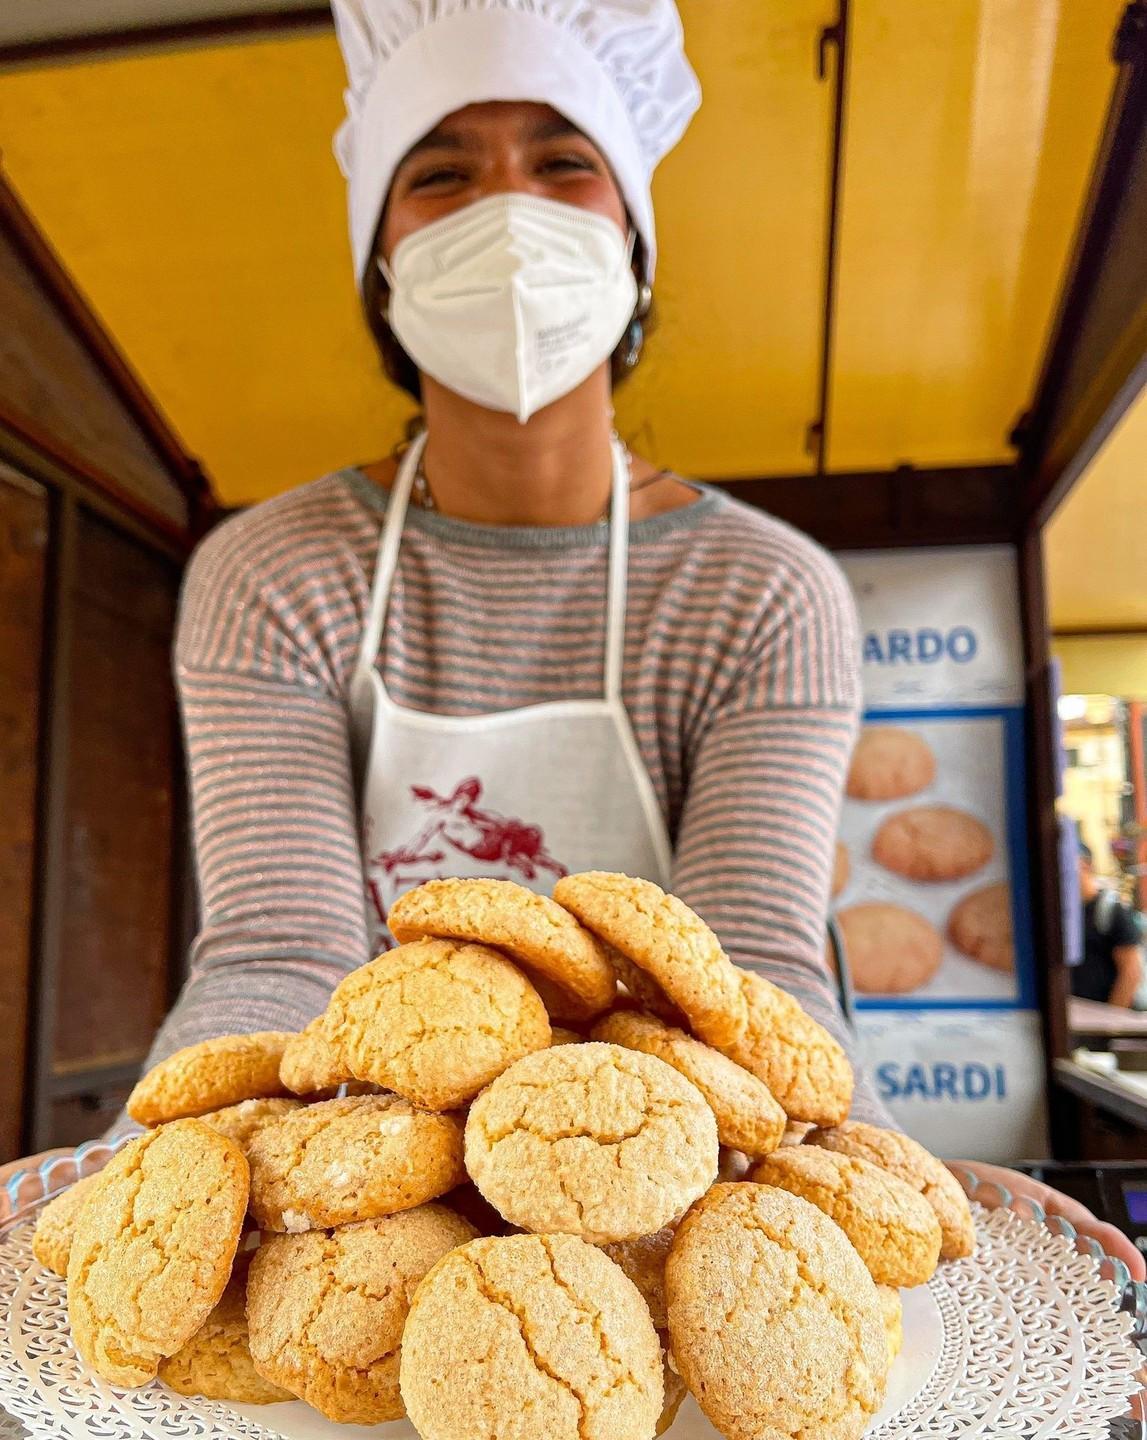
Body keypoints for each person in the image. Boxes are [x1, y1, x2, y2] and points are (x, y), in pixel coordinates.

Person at [1, 0, 1139, 1279]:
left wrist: (856, 1228)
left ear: (636, 240)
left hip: (673, 1176)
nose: (507, 210)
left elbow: (747, 973)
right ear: (379, 258)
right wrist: (169, 1205)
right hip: (370, 1179)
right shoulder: (273, 572)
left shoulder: (762, 591)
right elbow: (280, 952)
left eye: (562, 163)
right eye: (440, 172)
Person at [1071, 843, 1145, 1008]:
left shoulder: (1111, 911)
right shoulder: (1062, 914)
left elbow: (1130, 972)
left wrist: (1111, 1021)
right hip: (1075, 1017)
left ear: (1085, 865)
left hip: (1102, 1020)